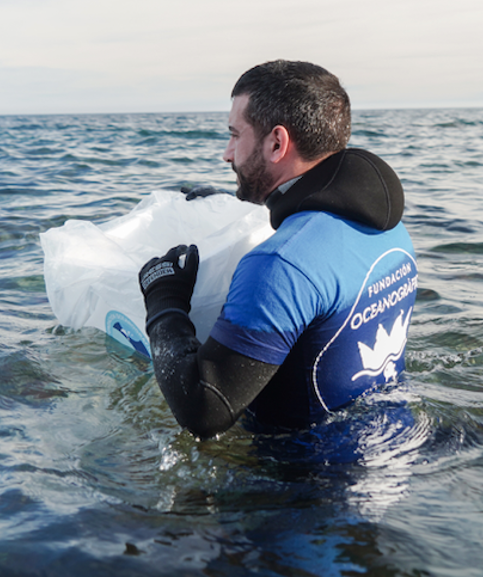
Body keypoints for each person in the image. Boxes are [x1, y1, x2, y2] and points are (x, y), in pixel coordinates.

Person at [138, 60, 418, 438]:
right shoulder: (385, 224)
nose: (227, 153)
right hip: (391, 442)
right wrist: (229, 204)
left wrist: (164, 300)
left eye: (236, 135)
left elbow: (203, 410)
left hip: (304, 484)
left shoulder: (279, 264)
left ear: (276, 143)